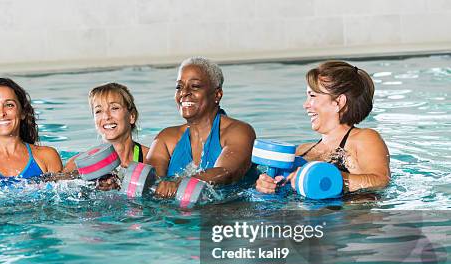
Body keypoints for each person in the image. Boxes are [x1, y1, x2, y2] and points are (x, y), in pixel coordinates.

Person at [255, 60, 390, 195]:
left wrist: (319, 176)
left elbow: (380, 181)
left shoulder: (364, 139)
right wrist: (266, 184)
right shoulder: (301, 150)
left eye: (312, 96)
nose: (305, 105)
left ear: (339, 102)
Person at [146, 57, 256, 198]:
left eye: (195, 86)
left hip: (227, 212)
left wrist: (180, 184)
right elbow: (149, 181)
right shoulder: (166, 139)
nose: (184, 93)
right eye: (179, 87)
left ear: (217, 94)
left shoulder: (239, 132)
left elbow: (226, 172)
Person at [63, 82, 149, 172]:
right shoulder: (77, 166)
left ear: (132, 116)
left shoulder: (151, 159)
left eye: (114, 108)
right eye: (98, 111)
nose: (106, 116)